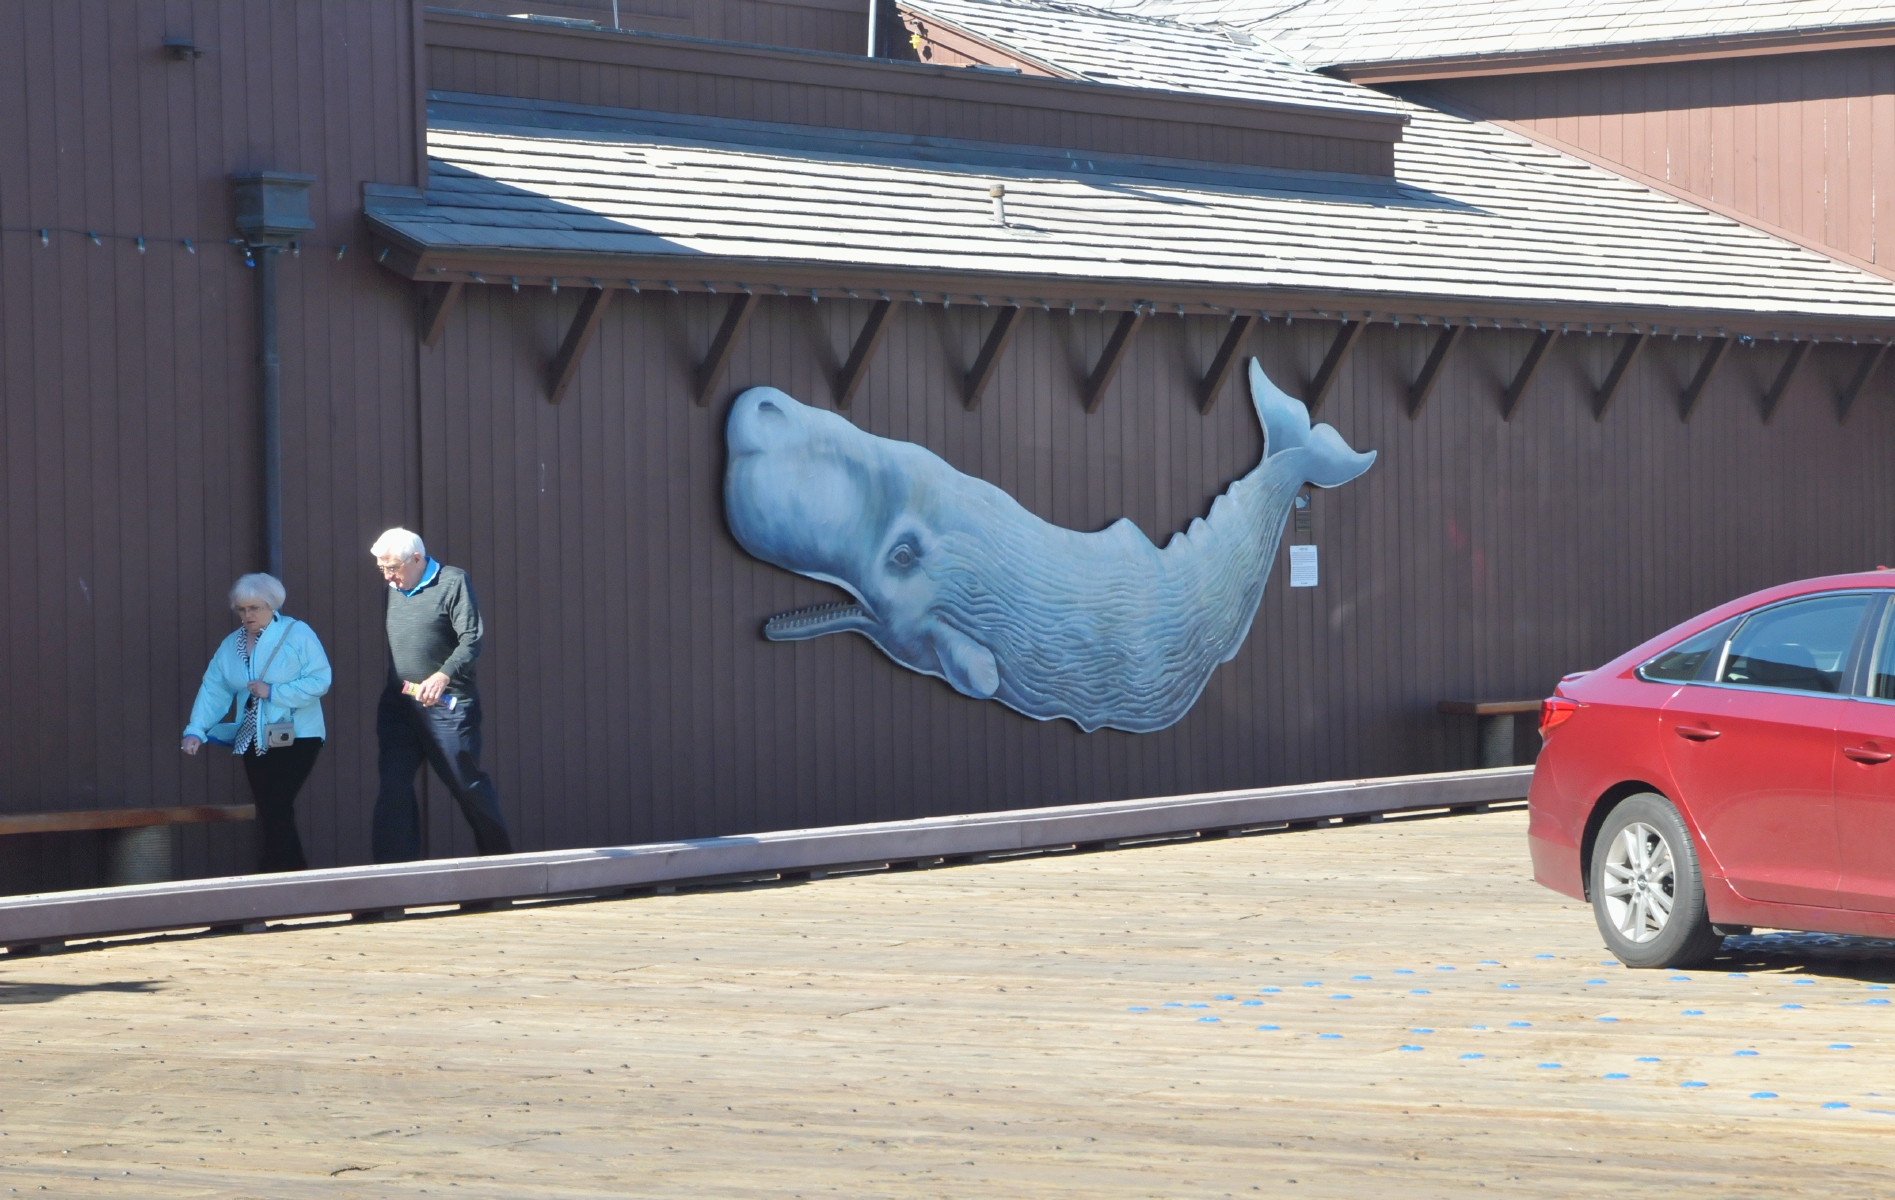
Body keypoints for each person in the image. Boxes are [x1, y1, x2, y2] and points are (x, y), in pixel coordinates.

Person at [369, 527, 513, 862]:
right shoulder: (396, 586)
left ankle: (502, 866)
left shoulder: (452, 582)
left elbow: (471, 638)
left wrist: (443, 674)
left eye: (393, 568)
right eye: (382, 570)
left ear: (416, 559)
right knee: (393, 788)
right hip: (400, 703)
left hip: (448, 706)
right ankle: (392, 877)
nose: (388, 577)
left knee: (467, 785)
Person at [181, 573, 332, 872]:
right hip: (252, 737)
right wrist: (196, 730)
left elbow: (320, 681)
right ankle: (297, 877)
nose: (247, 615)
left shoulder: (298, 634)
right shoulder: (231, 645)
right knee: (274, 809)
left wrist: (274, 692)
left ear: (272, 606)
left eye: (255, 608)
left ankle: (269, 877)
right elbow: (214, 689)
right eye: (242, 609)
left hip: (298, 735)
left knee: (276, 804)